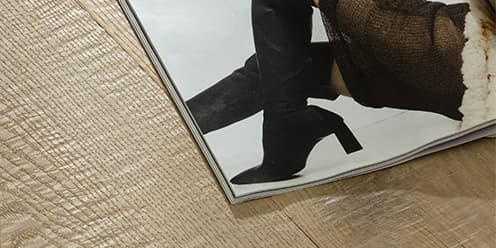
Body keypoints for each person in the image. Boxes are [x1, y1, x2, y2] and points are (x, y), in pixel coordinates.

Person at [186, 0, 496, 185]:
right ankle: (176, 135)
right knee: (278, 69)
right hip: (469, 70)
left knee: (283, 72)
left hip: (459, 50)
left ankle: (284, 136)